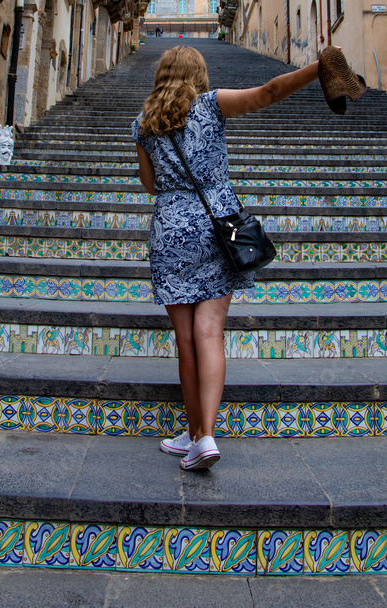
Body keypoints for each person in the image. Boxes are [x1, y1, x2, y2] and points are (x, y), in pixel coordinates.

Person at [132, 45, 320, 470]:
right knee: (210, 333)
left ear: (161, 74)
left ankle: (195, 435)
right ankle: (206, 437)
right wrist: (318, 67)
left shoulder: (143, 124)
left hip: (171, 230)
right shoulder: (212, 106)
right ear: (198, 74)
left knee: (185, 341)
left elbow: (150, 185)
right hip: (218, 226)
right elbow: (270, 92)